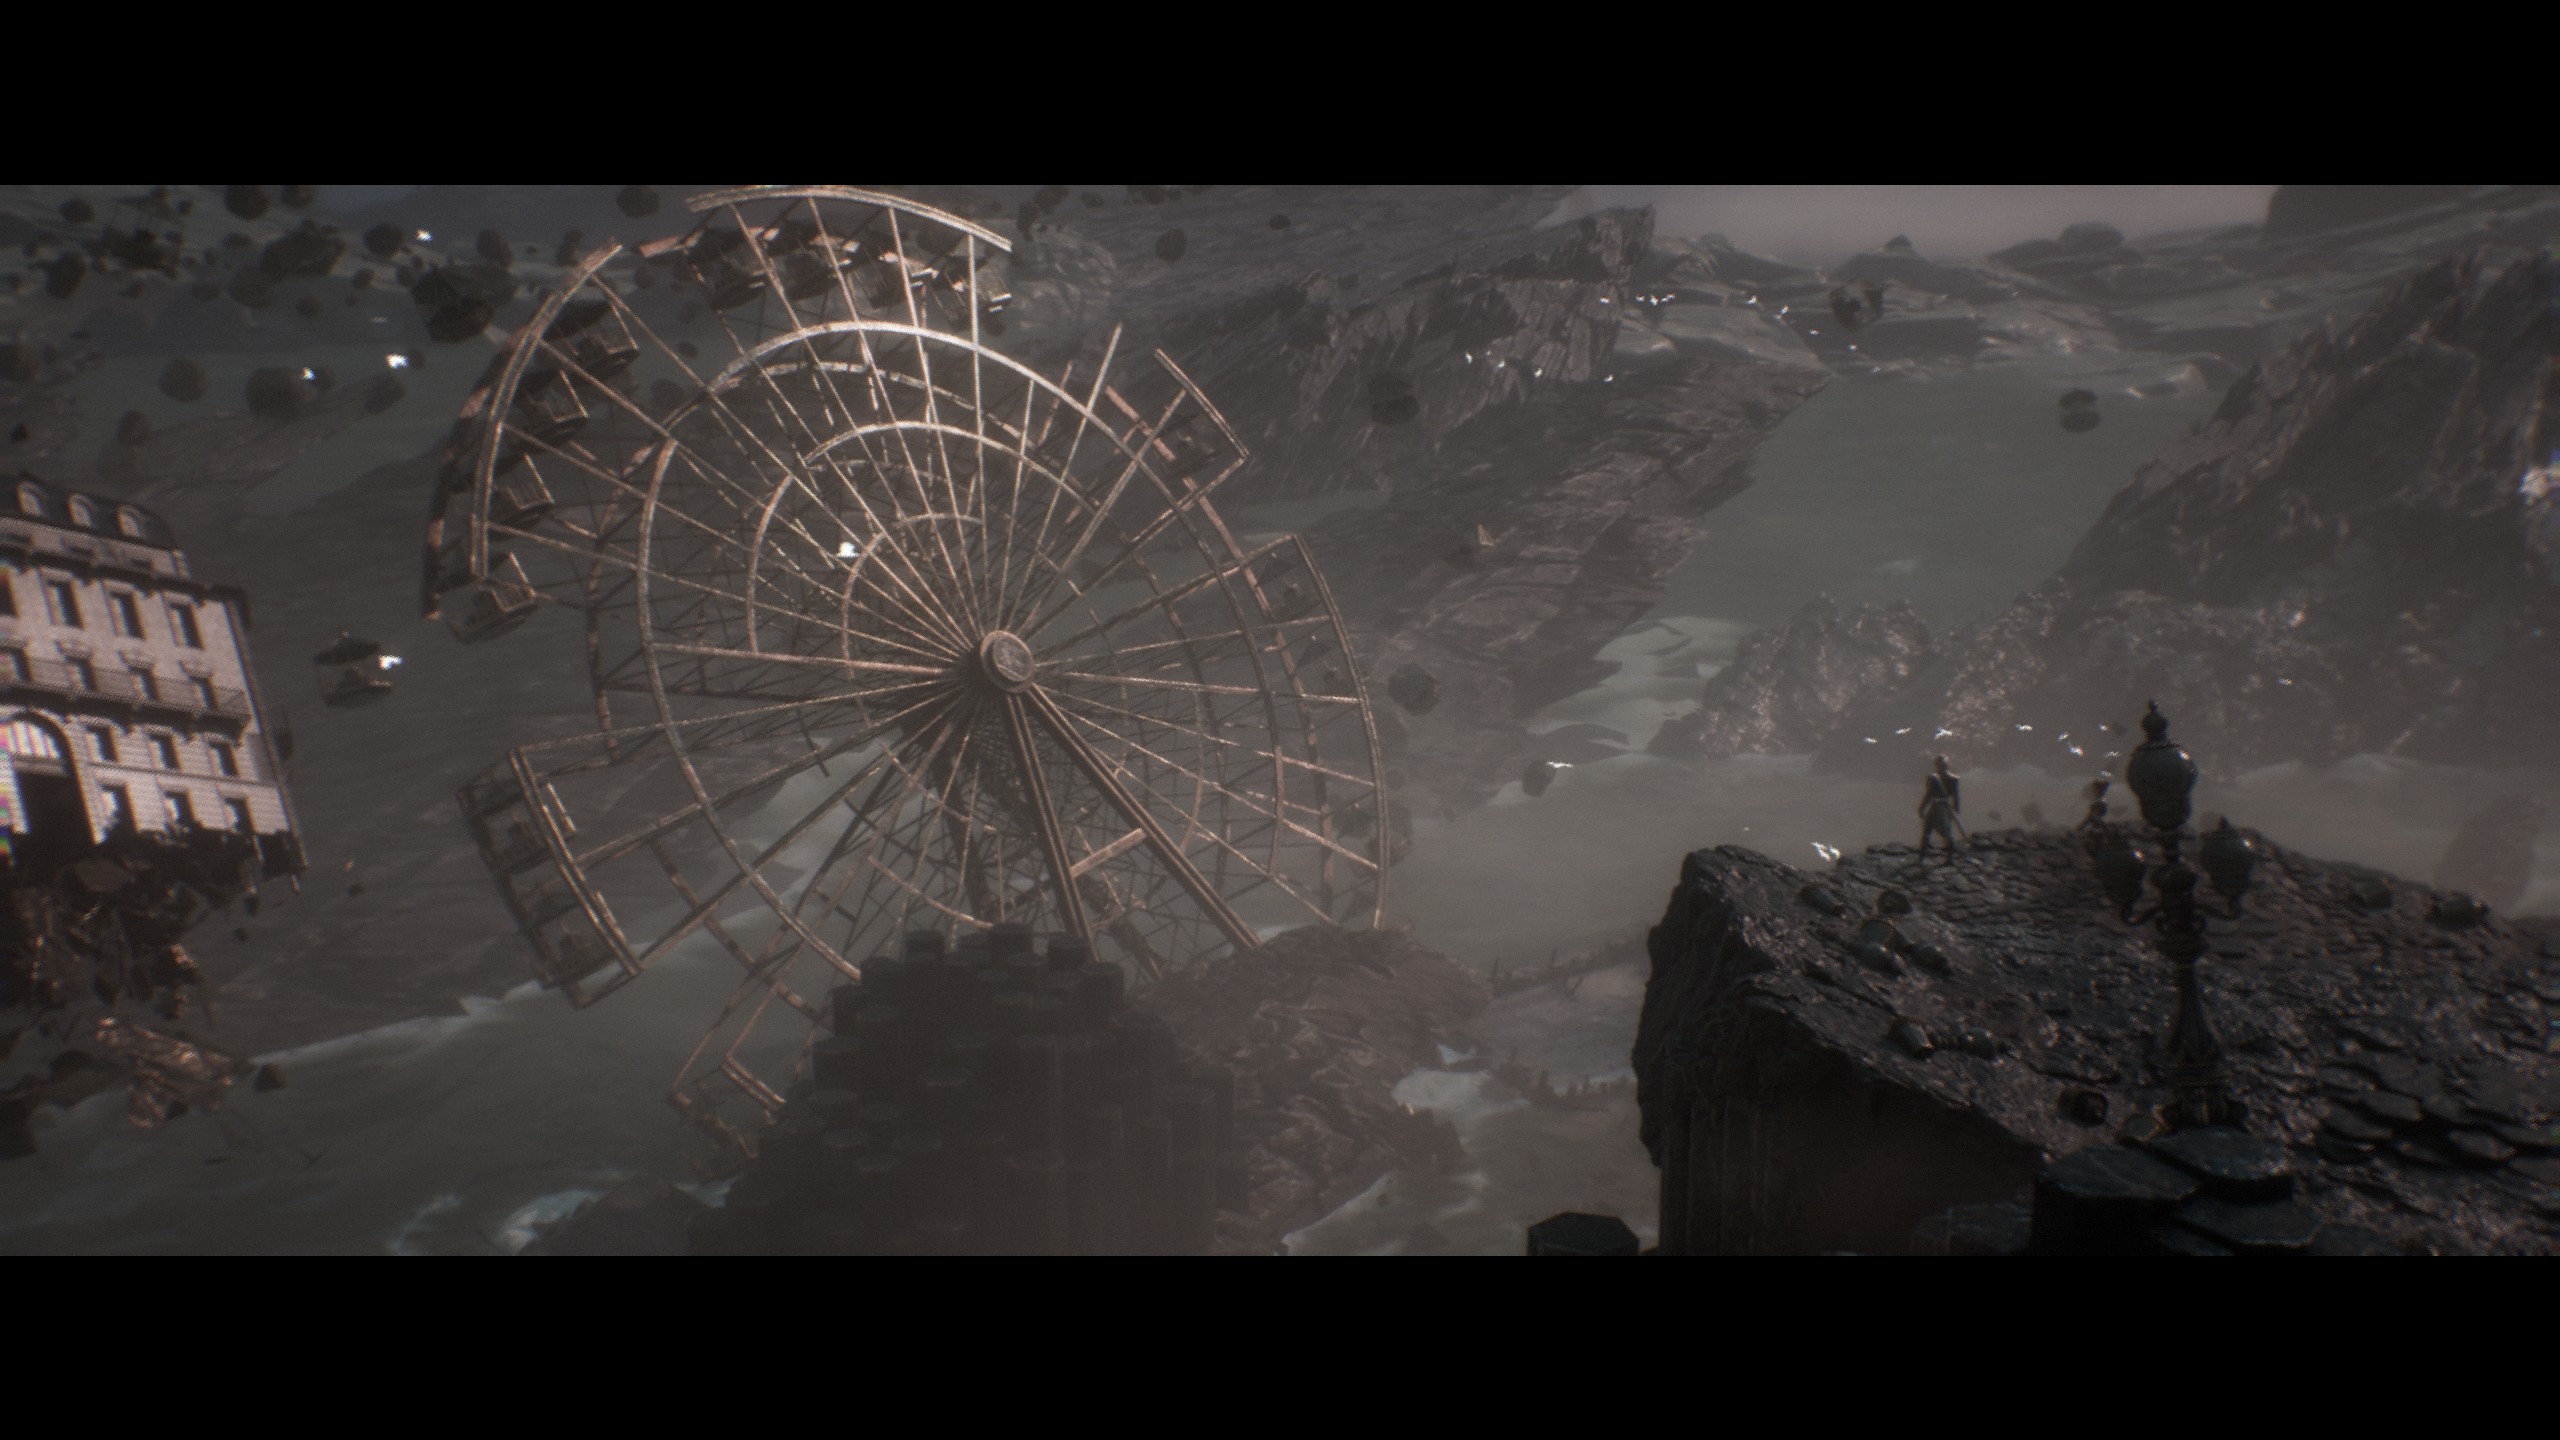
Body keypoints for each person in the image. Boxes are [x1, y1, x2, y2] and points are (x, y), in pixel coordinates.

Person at [1918, 756, 1964, 858]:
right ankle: (1921, 857)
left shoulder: (1953, 779)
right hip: (1935, 807)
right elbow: (1929, 794)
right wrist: (1922, 808)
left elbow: (1956, 798)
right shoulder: (1933, 778)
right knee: (1927, 831)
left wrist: (1955, 812)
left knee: (1946, 833)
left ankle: (1950, 858)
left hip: (1943, 809)